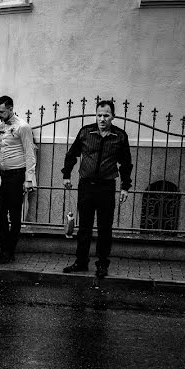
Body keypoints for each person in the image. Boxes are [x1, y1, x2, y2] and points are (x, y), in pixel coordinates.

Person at [61, 99, 133, 278]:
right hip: (86, 186)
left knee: (104, 228)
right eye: (99, 115)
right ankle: (81, 262)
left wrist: (125, 187)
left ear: (113, 117)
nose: (102, 119)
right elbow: (72, 154)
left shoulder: (120, 136)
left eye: (106, 115)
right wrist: (66, 175)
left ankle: (102, 264)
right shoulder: (86, 132)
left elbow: (126, 163)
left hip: (106, 187)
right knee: (84, 227)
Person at [0, 95, 36, 264]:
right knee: (0, 213)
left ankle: (10, 250)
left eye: (2, 111)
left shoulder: (22, 127)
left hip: (17, 174)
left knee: (15, 214)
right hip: (0, 174)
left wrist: (29, 179)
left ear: (11, 108)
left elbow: (29, 153)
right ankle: (2, 249)